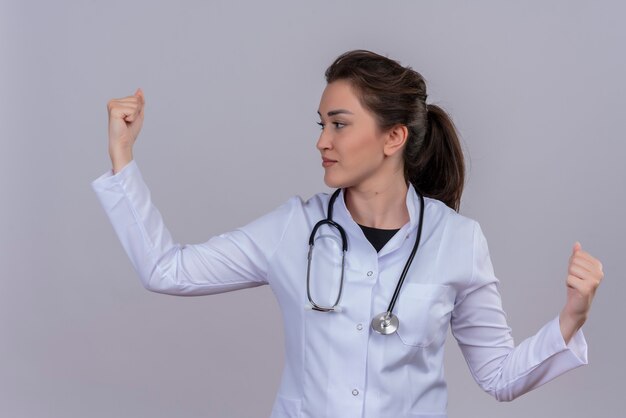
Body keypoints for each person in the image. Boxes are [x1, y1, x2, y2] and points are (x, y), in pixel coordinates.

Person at [92, 50, 604, 418]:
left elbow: (499, 377)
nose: (321, 141)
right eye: (320, 124)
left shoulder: (457, 240)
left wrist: (570, 318)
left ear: (393, 137)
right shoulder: (295, 229)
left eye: (339, 124)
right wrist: (122, 156)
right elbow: (167, 270)